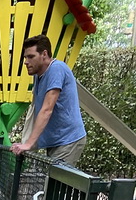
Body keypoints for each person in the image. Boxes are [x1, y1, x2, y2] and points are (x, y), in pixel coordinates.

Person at [10, 35, 87, 166]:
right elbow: (36, 109)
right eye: (25, 57)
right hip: (55, 141)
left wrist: (28, 144)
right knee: (53, 184)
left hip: (68, 140)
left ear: (44, 54)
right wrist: (27, 142)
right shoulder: (38, 75)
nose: (26, 62)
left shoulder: (56, 69)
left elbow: (46, 110)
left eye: (31, 56)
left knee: (56, 185)